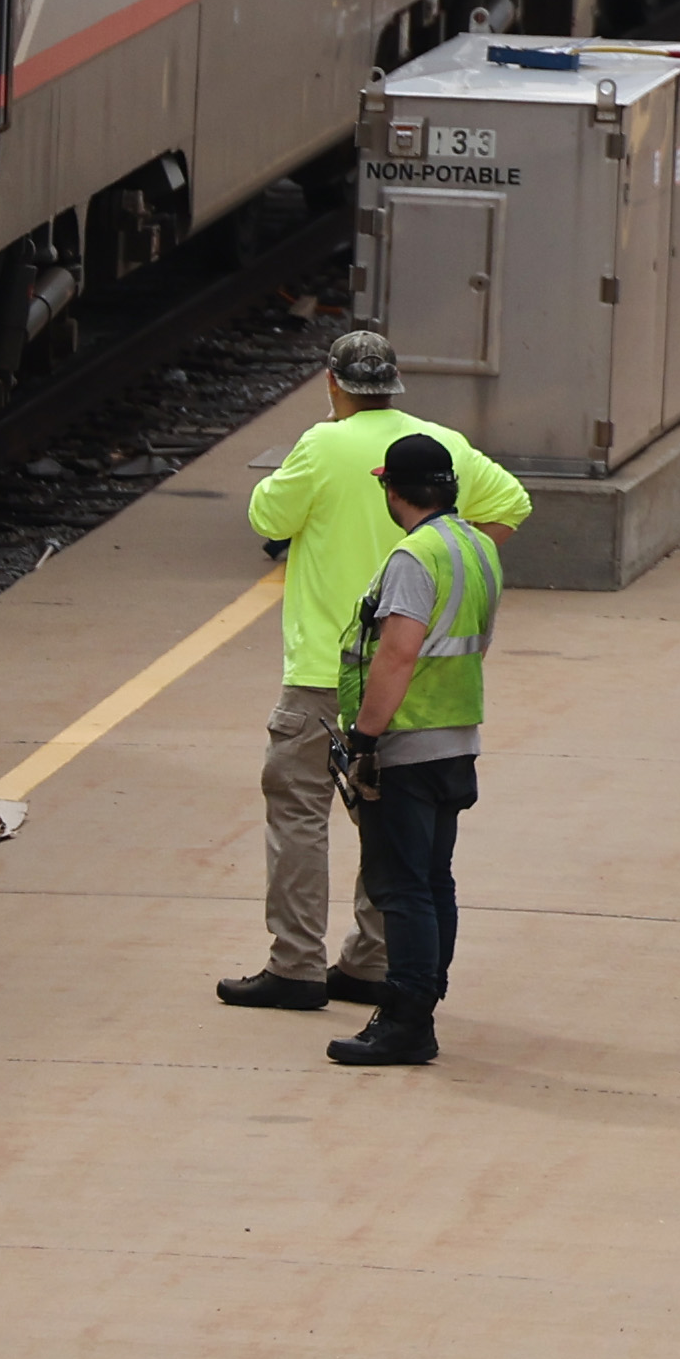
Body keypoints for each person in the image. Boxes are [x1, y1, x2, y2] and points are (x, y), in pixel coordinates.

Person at [221, 327, 527, 1015]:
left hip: (322, 669)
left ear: (333, 385)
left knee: (299, 812)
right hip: (408, 673)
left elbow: (264, 515)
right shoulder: (438, 443)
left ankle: (295, 965)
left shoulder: (322, 444)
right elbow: (510, 505)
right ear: (393, 385)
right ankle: (368, 961)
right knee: (384, 817)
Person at [323, 433, 497, 1070]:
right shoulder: (477, 547)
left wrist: (364, 738)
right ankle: (422, 999)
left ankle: (407, 1019)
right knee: (432, 878)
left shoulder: (413, 558)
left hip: (409, 743)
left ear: (393, 491)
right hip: (457, 739)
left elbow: (396, 654)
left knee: (400, 887)